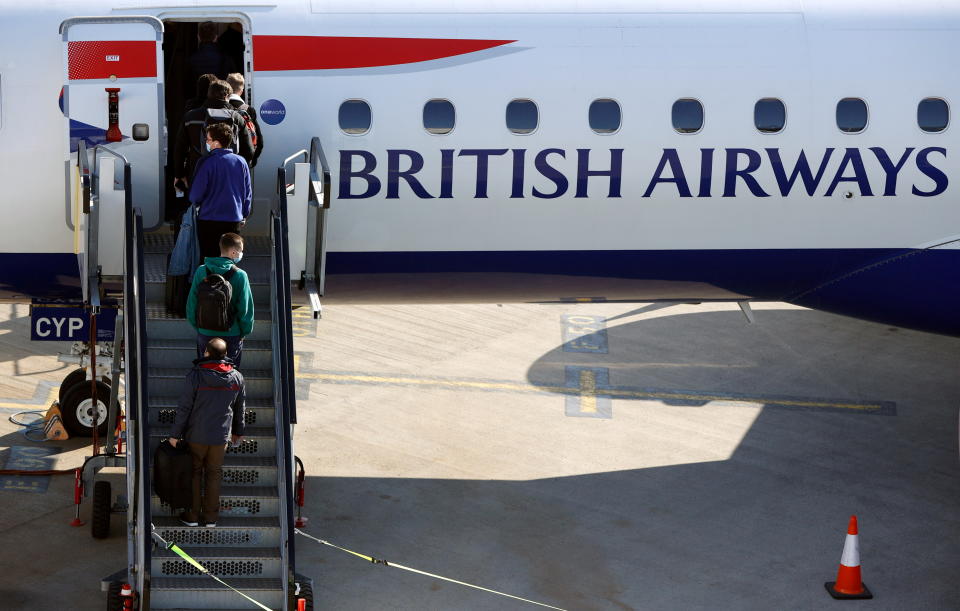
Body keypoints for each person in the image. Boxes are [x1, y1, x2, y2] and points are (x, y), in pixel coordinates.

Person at [168, 337, 245, 528]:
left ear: (207, 353)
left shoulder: (195, 376)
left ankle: (192, 516)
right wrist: (238, 431)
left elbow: (184, 408)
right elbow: (240, 408)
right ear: (225, 355)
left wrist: (175, 434)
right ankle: (211, 518)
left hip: (196, 436)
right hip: (220, 438)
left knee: (194, 473)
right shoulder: (236, 377)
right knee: (214, 474)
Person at [186, 232, 254, 366]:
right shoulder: (241, 275)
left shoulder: (201, 271)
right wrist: (244, 331)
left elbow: (192, 302)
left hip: (205, 332)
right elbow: (245, 308)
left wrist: (198, 326)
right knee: (230, 374)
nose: (241, 254)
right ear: (234, 253)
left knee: (205, 371)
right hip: (232, 332)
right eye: (240, 251)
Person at [173, 79, 255, 188]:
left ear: (209, 94)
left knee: (199, 203)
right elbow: (249, 151)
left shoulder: (191, 117)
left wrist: (179, 174)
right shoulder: (237, 118)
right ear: (227, 96)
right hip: (229, 175)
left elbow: (180, 149)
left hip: (198, 173)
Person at [188, 122, 252, 260]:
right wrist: (244, 214)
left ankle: (211, 282)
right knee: (230, 262)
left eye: (208, 139)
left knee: (209, 260)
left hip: (209, 220)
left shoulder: (207, 162)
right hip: (234, 220)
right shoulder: (241, 162)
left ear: (216, 143)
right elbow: (247, 194)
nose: (206, 142)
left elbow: (195, 195)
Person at [225, 72, 264, 166]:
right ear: (242, 90)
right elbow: (259, 141)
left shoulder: (220, 108)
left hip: (223, 160)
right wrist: (251, 161)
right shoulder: (248, 110)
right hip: (242, 161)